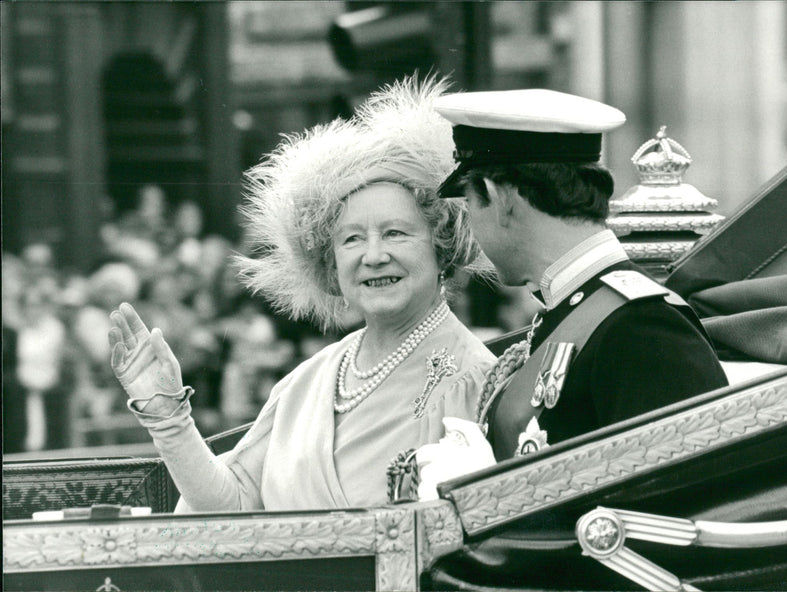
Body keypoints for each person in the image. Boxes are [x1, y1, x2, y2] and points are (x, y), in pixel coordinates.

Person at [107, 76, 496, 512]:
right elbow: (229, 506)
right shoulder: (306, 381)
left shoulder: (473, 380)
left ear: (441, 244)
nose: (373, 255)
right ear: (330, 265)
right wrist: (167, 416)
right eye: (351, 239)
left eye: (395, 233)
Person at [416, 88, 729, 499]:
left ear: (498, 197)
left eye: (471, 203)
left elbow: (685, 508)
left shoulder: (640, 326)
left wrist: (485, 494)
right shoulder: (575, 310)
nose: (472, 225)